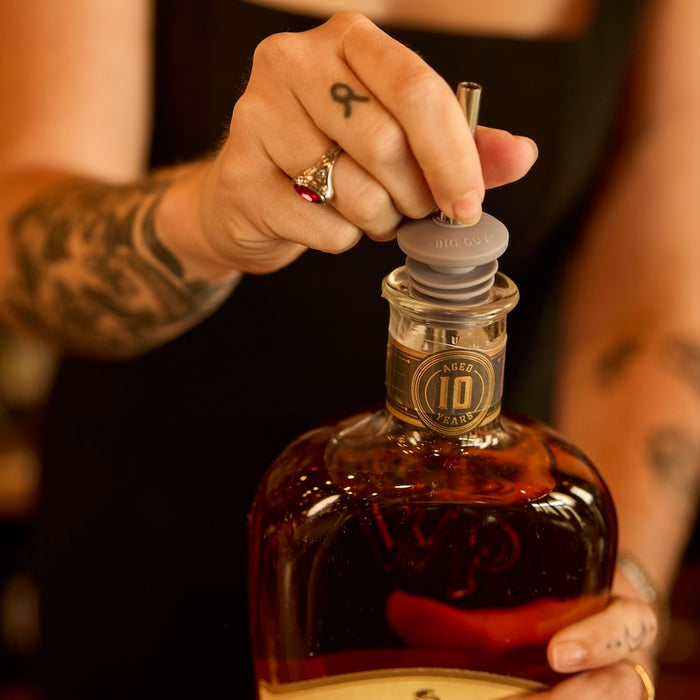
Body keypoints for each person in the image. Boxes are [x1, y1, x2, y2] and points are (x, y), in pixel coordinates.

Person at [0, 0, 698, 698]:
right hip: (145, 549)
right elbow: (17, 244)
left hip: (504, 578)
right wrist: (207, 219)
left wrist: (617, 596)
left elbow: (653, 309)